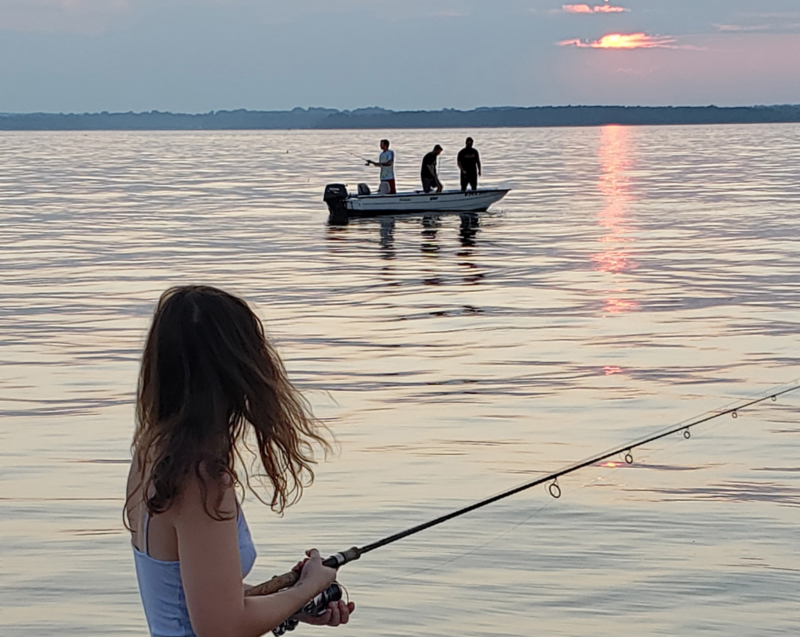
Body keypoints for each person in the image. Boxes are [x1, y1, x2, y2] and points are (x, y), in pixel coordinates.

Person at [126, 286, 355, 637]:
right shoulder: (201, 481)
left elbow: (194, 600)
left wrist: (292, 603)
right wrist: (309, 586)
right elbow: (221, 628)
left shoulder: (151, 454)